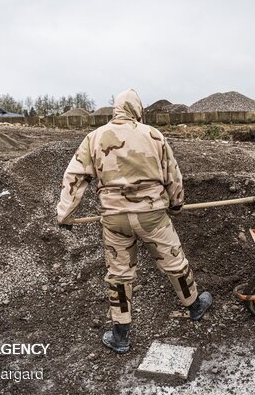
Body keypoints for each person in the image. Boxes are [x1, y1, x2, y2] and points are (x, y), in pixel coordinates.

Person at [56, 89, 212, 354]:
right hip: (152, 215)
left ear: (116, 108)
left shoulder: (94, 138)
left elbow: (74, 176)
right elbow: (173, 175)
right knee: (173, 260)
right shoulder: (153, 135)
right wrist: (176, 204)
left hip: (114, 218)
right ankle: (194, 305)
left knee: (119, 273)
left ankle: (121, 335)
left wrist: (65, 214)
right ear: (137, 109)